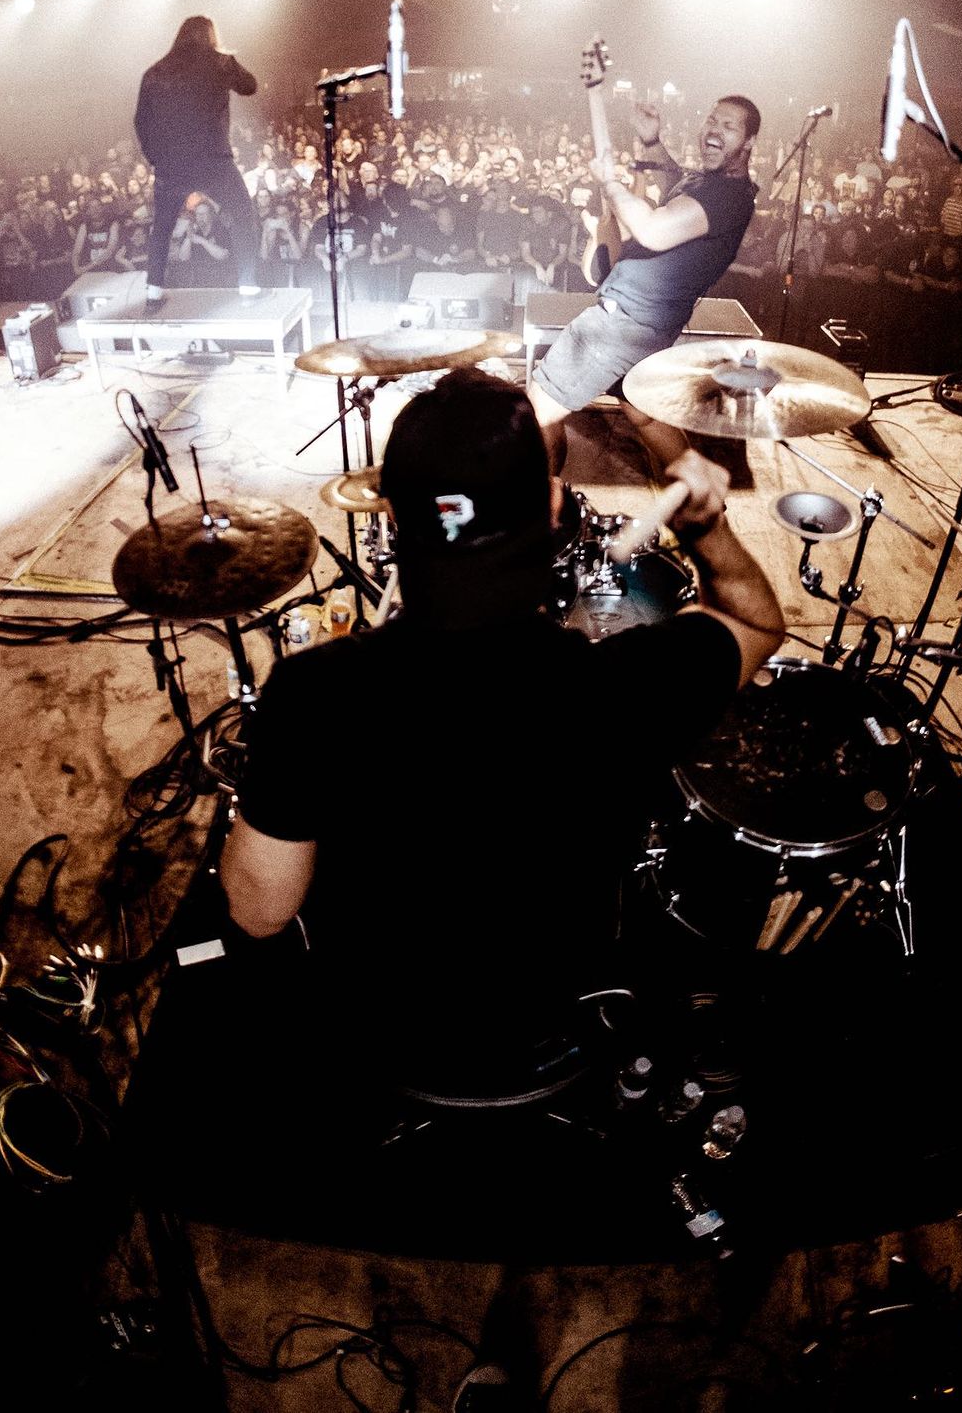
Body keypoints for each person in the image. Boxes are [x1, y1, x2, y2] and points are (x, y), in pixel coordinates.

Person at [221, 369, 784, 1104]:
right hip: (555, 1007)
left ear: (389, 514)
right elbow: (753, 620)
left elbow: (259, 912)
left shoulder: (312, 695)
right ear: (553, 506)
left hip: (388, 1023)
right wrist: (705, 525)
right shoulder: (620, 687)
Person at [529, 95, 760, 471]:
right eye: (712, 120)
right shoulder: (714, 182)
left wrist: (609, 182)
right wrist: (652, 142)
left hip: (620, 326)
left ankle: (544, 498)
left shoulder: (727, 195)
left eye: (729, 126)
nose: (714, 130)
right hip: (648, 325)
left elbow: (653, 230)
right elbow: (678, 186)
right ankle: (702, 489)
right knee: (644, 415)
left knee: (536, 414)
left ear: (749, 142)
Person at [134, 15, 261, 312]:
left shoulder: (155, 72)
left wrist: (155, 158)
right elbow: (250, 86)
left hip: (172, 164)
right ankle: (247, 284)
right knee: (242, 214)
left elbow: (141, 121)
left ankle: (153, 292)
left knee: (162, 227)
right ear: (210, 35)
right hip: (212, 159)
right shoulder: (220, 62)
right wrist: (227, 59)